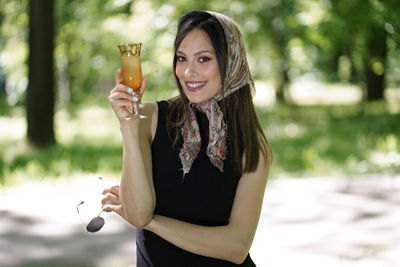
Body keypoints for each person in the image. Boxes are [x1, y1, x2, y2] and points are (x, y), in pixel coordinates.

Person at [103, 10, 273, 266]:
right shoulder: (150, 118)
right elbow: (138, 213)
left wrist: (154, 223)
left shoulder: (252, 146)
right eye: (181, 59)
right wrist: (128, 125)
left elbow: (235, 247)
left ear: (232, 62)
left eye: (203, 59)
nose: (188, 72)